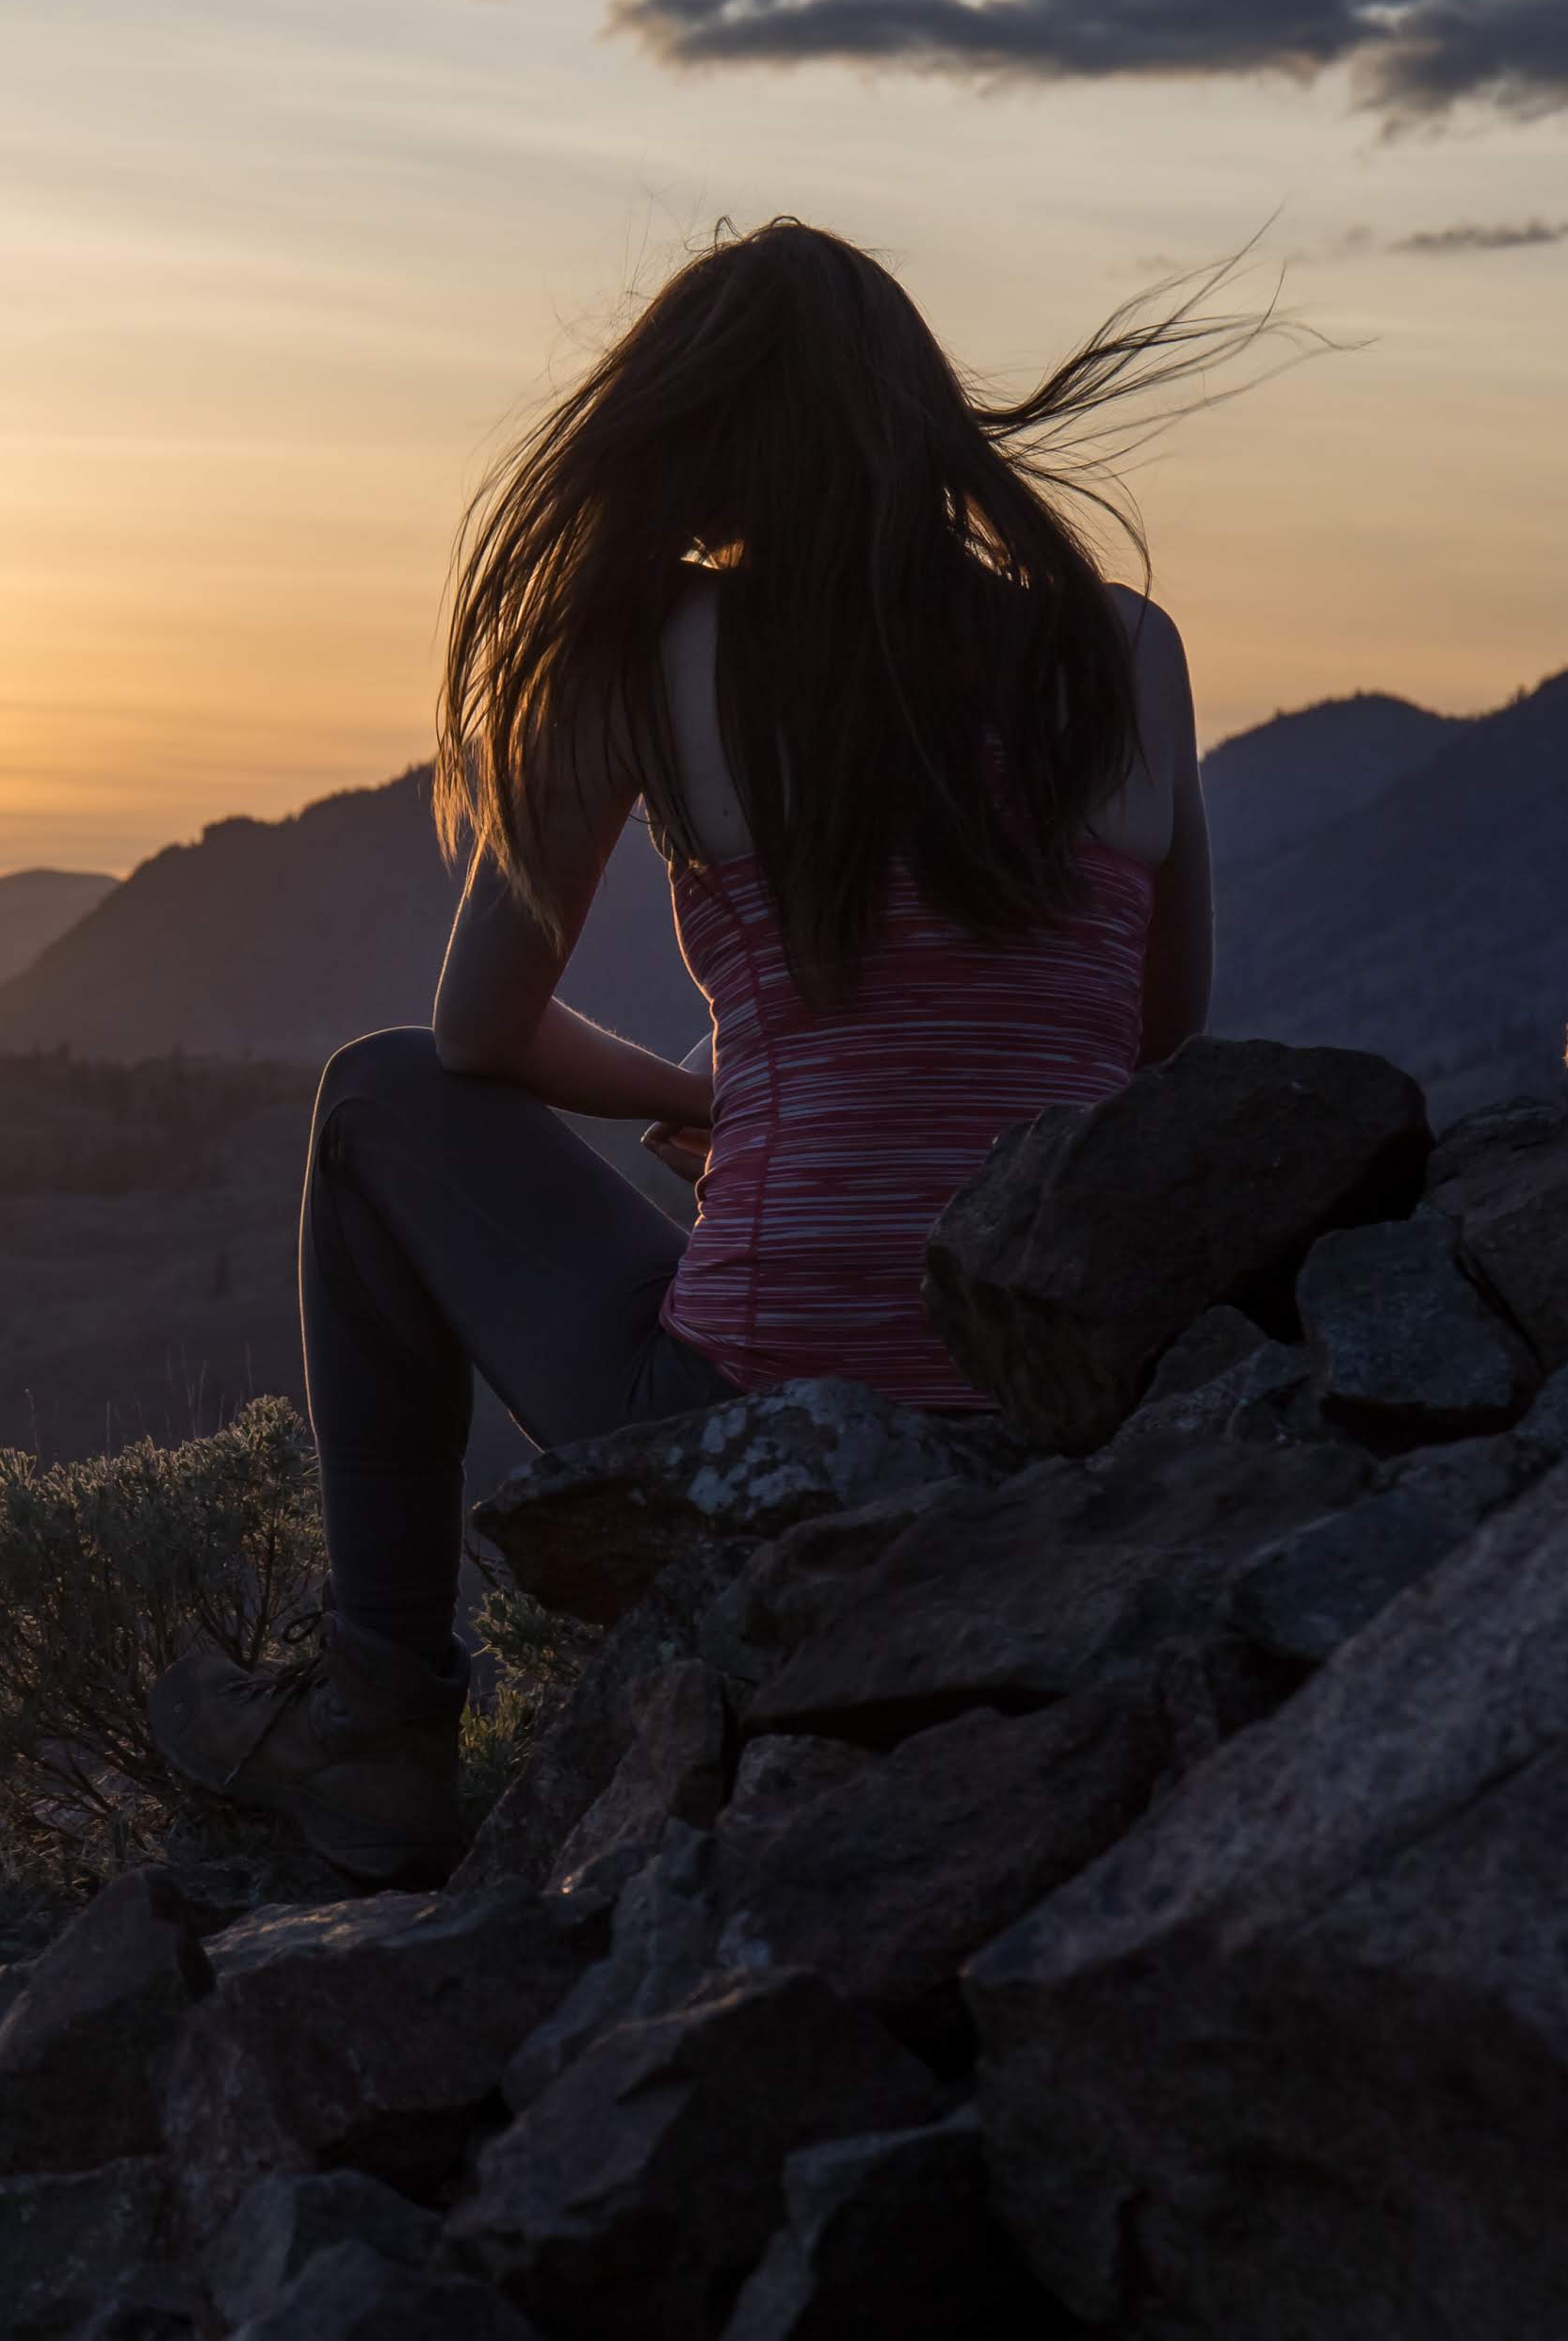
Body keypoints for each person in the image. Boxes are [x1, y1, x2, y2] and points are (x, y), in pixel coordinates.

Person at [151, 217, 1257, 1884]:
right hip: (1055, 1413)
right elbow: (1157, 1063)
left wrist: (702, 1097)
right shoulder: (1126, 652)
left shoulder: (641, 655)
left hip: (746, 1425)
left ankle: (376, 1719)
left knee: (374, 1095)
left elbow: (477, 1032)